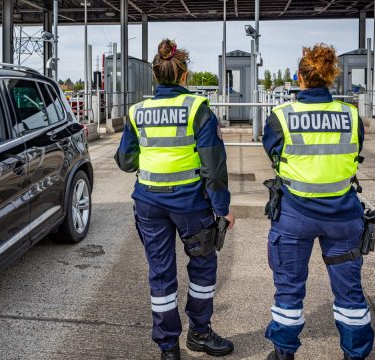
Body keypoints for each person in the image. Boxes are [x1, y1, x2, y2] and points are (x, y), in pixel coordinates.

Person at [115, 39, 235, 360]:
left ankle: (168, 348)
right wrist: (223, 209)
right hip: (191, 205)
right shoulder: (198, 109)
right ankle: (199, 332)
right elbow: (214, 167)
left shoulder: (137, 111)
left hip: (149, 204)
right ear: (184, 76)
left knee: (160, 272)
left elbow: (126, 162)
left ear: (156, 76)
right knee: (203, 264)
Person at [262, 43, 373, 360]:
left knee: (289, 287)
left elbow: (273, 154)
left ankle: (284, 352)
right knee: (349, 291)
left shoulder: (280, 117)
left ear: (299, 78)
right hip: (343, 216)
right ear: (331, 78)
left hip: (294, 215)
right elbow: (355, 153)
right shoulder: (351, 116)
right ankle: (355, 353)